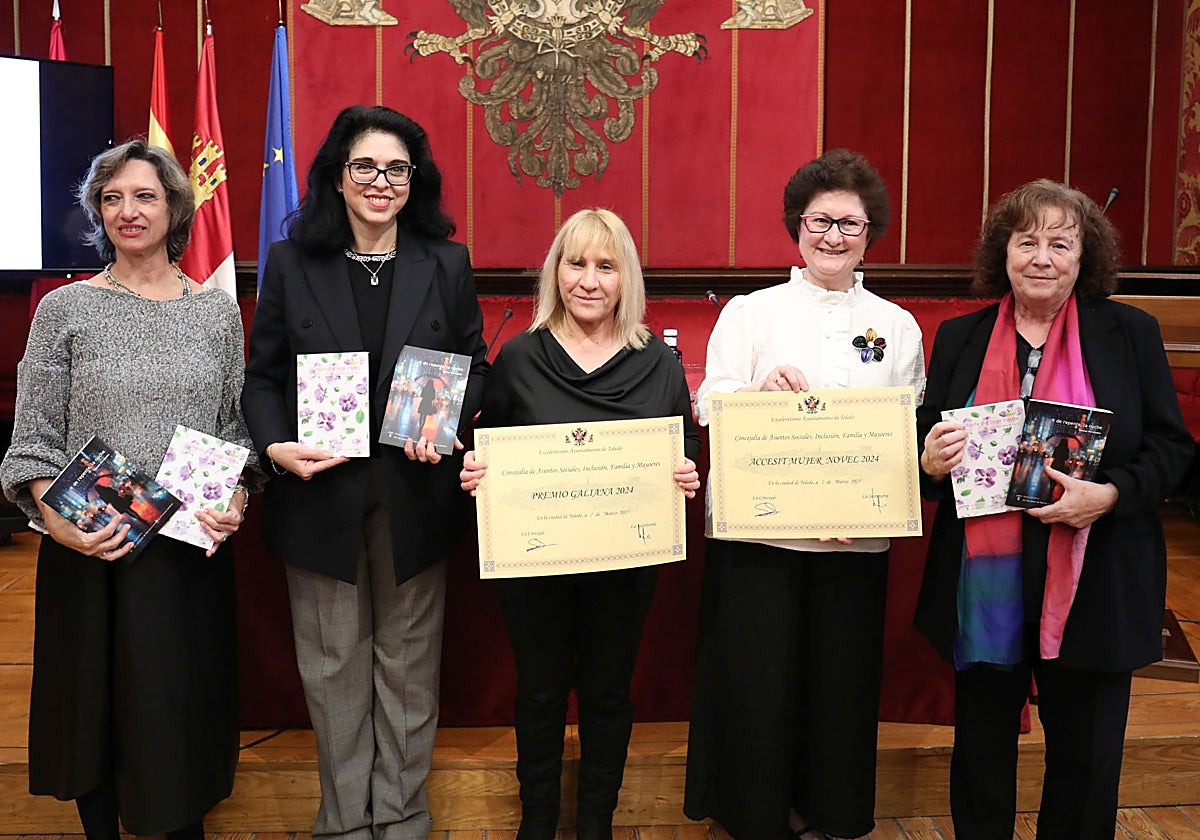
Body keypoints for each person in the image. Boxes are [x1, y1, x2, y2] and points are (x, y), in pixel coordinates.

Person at [916, 179, 1194, 838]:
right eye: (1027, 240)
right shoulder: (959, 337)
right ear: (1003, 251)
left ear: (1084, 256)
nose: (1041, 257)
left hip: (1096, 575)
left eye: (1060, 243)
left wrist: (1111, 494)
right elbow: (927, 449)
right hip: (985, 585)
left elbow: (1172, 448)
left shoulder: (1130, 333)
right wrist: (926, 460)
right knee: (982, 752)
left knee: (1087, 757)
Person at [241, 105, 489, 840]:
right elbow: (261, 380)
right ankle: (346, 823)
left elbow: (476, 367)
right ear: (337, 178)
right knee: (332, 666)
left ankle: (405, 818)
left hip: (415, 492)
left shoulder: (446, 261)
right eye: (365, 167)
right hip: (320, 490)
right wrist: (276, 447)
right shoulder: (292, 261)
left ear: (415, 181)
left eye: (397, 169)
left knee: (409, 667)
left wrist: (441, 426)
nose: (381, 182)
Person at [0, 139, 256, 839]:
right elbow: (33, 437)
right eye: (112, 198)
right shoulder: (65, 309)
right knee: (94, 719)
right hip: (91, 548)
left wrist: (233, 495)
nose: (127, 211)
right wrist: (59, 523)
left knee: (177, 716)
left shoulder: (216, 313)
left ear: (175, 208)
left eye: (144, 196)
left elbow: (234, 429)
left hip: (183, 553)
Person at [684, 149, 926, 840]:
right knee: (759, 684)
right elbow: (709, 404)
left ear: (870, 232)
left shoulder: (897, 325)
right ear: (797, 225)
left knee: (840, 687)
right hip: (759, 537)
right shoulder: (751, 313)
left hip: (855, 540)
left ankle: (832, 810)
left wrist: (870, 499)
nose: (833, 236)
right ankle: (756, 815)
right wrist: (755, 394)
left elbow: (902, 428)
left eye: (850, 223)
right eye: (820, 220)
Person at [458, 208, 702, 840]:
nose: (588, 281)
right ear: (554, 272)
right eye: (575, 264)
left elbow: (684, 453)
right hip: (535, 566)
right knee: (539, 694)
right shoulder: (517, 357)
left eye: (605, 266)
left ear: (627, 278)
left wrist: (685, 475)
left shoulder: (659, 364)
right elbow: (491, 446)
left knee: (607, 695)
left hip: (624, 565)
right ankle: (536, 824)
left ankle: (596, 824)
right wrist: (479, 475)